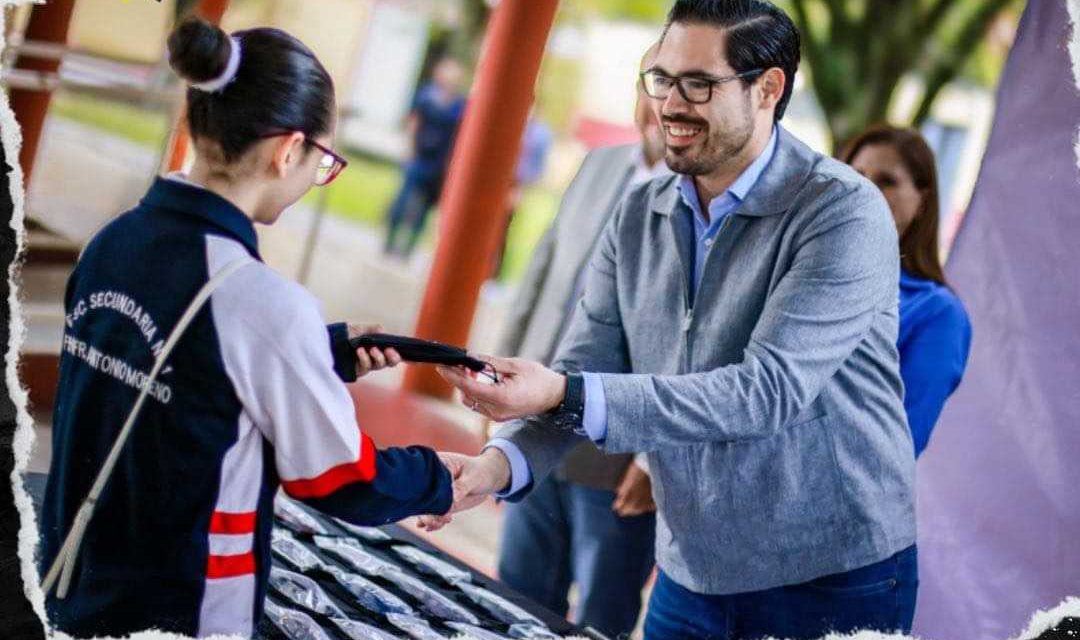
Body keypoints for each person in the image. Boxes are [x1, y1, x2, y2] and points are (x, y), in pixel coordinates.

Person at [422, 1, 919, 639]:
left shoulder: (843, 212)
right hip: (694, 562)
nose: (671, 104)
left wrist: (564, 391)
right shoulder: (637, 212)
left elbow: (767, 392)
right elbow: (584, 366)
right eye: (661, 78)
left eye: (699, 85)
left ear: (767, 89)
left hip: (831, 569)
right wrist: (494, 468)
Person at [40, 18, 451, 638]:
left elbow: (172, 380)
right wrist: (441, 477)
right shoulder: (262, 304)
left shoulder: (112, 243)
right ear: (289, 150)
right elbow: (342, 481)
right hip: (184, 611)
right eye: (323, 160)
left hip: (73, 580)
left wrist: (318, 355)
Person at [493, 43, 669, 638]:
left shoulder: (706, 204)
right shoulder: (599, 164)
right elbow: (538, 280)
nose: (663, 100)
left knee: (602, 618)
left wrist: (651, 460)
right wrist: (497, 396)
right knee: (514, 599)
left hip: (618, 458)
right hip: (535, 431)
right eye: (654, 81)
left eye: (682, 85)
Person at [841, 125, 972, 456]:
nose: (865, 189)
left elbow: (897, 443)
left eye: (887, 181)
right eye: (857, 174)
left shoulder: (939, 314)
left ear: (922, 201)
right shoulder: (802, 272)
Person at [383, 57, 467, 258]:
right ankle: (389, 241)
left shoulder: (460, 104)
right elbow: (414, 122)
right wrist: (409, 147)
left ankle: (408, 249)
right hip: (419, 155)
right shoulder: (426, 96)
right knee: (404, 199)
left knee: (425, 207)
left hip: (440, 161)